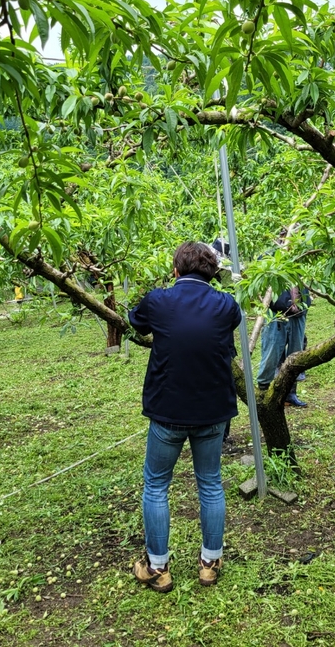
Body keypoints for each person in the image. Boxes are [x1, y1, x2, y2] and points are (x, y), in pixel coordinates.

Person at [129, 242, 242, 592]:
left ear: (176, 270)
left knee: (157, 485)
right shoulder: (226, 304)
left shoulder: (158, 300)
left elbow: (137, 322)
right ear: (213, 274)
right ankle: (210, 563)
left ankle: (157, 567)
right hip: (212, 412)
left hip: (168, 412)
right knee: (210, 483)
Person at [257, 284, 310, 407]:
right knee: (271, 354)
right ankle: (263, 394)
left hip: (298, 315)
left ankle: (290, 394)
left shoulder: (300, 267)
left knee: (296, 356)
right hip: (276, 315)